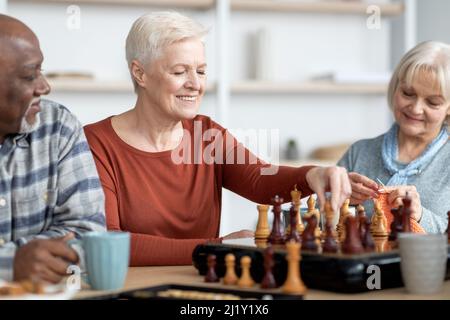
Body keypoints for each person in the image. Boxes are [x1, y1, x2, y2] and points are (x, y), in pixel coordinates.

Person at [84, 12, 351, 266]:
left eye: (200, 71)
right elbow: (107, 241)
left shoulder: (207, 134)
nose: (195, 84)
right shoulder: (96, 143)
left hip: (200, 284)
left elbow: (259, 180)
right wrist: (216, 246)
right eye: (179, 72)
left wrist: (312, 175)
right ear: (140, 73)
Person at [0, 15, 106, 282]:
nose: (45, 87)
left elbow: (89, 233)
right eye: (29, 76)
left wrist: (30, 258)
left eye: (41, 71)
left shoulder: (59, 127)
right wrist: (11, 264)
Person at [338, 41, 450, 233]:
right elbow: (317, 221)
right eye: (408, 93)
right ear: (395, 88)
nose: (415, 109)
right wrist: (339, 200)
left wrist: (421, 216)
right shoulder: (359, 152)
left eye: (432, 102)